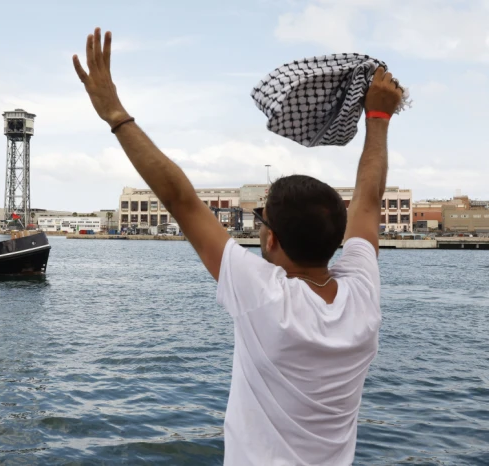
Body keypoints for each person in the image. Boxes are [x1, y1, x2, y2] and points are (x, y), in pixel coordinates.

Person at [73, 27, 403, 465]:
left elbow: (180, 200)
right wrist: (378, 119)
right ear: (337, 239)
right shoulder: (362, 296)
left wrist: (114, 111)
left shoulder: (267, 298)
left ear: (271, 238)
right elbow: (369, 197)